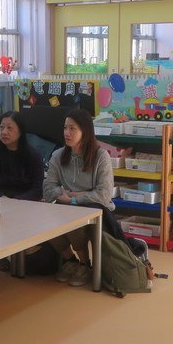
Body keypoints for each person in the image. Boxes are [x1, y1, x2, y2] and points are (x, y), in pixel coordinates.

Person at [42, 108, 114, 287]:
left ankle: (85, 264)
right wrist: (67, 196)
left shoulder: (101, 156)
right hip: (66, 207)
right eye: (65, 128)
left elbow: (104, 195)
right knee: (44, 220)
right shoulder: (58, 155)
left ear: (85, 131)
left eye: (72, 128)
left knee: (72, 220)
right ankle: (70, 260)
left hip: (97, 212)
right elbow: (48, 188)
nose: (67, 133)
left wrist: (74, 199)